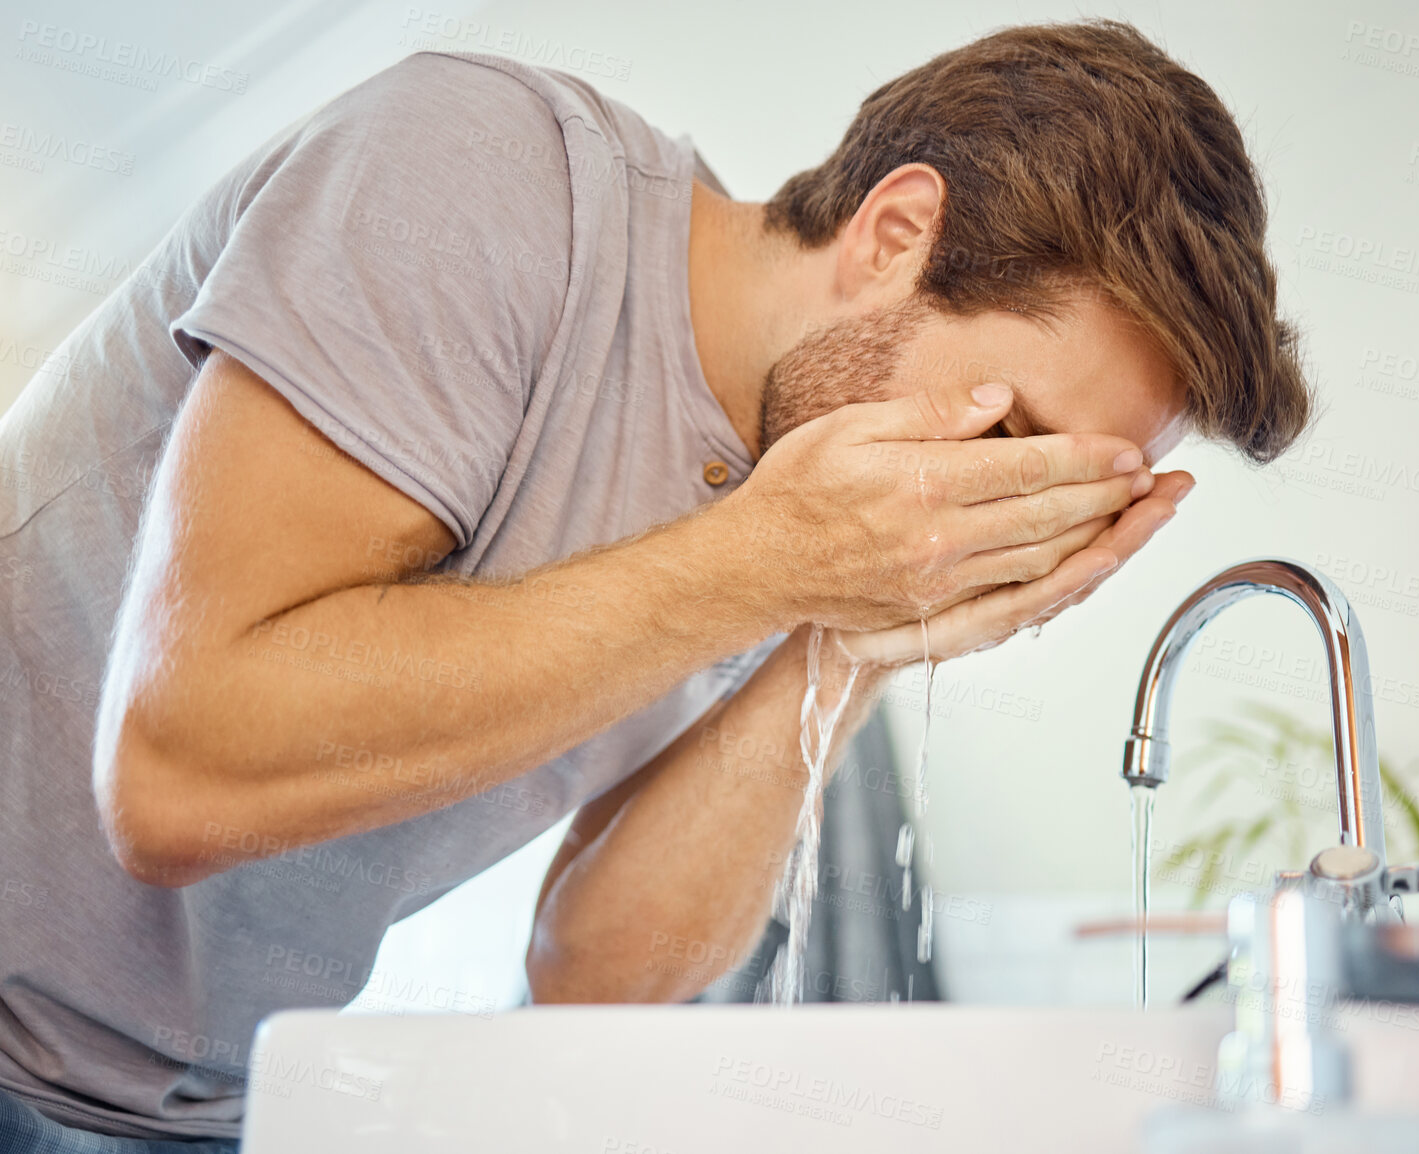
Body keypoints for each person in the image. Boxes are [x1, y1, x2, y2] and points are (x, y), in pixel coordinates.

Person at [0, 17, 1309, 1148]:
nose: (982, 503)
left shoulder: (810, 488)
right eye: (1008, 438)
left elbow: (594, 979)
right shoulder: (473, 169)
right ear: (895, 231)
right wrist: (767, 562)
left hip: (200, 1106)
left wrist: (854, 637)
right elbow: (176, 772)